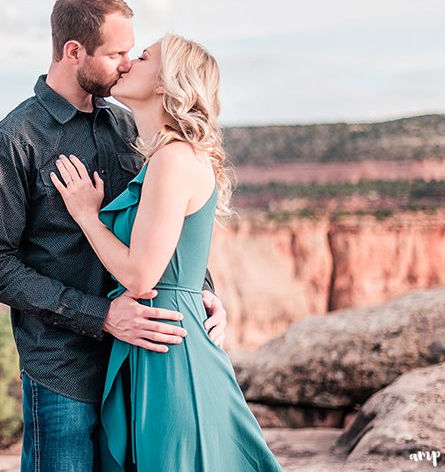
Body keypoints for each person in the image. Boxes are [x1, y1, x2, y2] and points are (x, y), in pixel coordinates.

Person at [0, 0, 228, 471]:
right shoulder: (13, 141)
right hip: (62, 370)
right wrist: (102, 316)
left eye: (133, 53)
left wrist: (200, 288)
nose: (127, 63)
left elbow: (160, 222)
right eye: (117, 53)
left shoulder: (127, 128)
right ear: (74, 51)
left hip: (139, 365)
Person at [51, 34, 281, 471]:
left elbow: (141, 277)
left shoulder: (174, 159)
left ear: (165, 82)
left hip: (170, 351)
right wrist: (198, 291)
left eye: (144, 56)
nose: (128, 62)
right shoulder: (165, 156)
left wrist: (86, 217)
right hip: (157, 338)